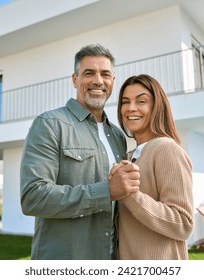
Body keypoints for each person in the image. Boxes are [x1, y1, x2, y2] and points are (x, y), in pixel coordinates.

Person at [20, 44, 140, 260]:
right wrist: (106, 191)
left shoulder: (118, 135)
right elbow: (33, 197)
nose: (98, 81)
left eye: (105, 74)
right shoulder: (50, 124)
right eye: (89, 73)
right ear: (75, 79)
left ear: (112, 81)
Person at [115, 74, 194, 260]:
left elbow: (183, 224)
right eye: (125, 102)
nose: (131, 108)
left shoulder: (166, 149)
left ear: (157, 106)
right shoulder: (130, 155)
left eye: (141, 101)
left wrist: (130, 194)